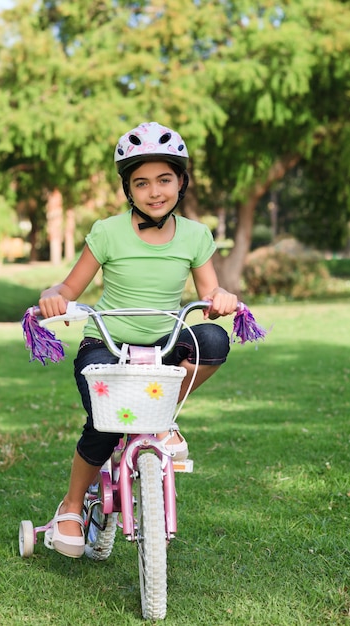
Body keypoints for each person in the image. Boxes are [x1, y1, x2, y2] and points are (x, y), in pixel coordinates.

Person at [38, 121, 238, 558]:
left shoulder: (196, 235)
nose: (155, 191)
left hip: (165, 341)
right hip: (106, 342)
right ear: (128, 188)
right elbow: (70, 289)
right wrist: (53, 298)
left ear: (181, 181)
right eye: (141, 182)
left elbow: (209, 294)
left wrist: (220, 298)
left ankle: (163, 418)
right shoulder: (108, 231)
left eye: (164, 179)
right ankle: (72, 506)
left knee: (214, 341)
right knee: (105, 427)